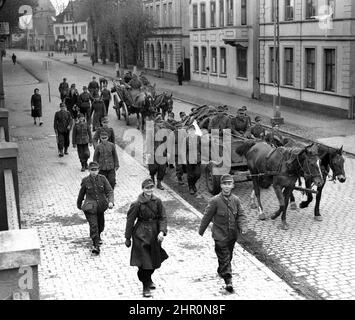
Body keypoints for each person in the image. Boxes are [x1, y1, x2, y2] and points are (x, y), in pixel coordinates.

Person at [199, 174, 248, 293]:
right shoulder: (215, 201)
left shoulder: (236, 200)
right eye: (224, 184)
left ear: (233, 186)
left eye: (229, 184)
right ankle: (228, 281)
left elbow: (241, 214)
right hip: (219, 235)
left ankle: (222, 269)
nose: (227, 186)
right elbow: (207, 216)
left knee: (228, 256)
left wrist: (243, 226)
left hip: (232, 235)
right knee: (224, 255)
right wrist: (202, 230)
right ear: (221, 185)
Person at [125, 178, 168, 298]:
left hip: (154, 234)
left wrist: (162, 231)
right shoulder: (137, 204)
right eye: (146, 188)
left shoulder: (158, 201)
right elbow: (130, 221)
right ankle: (145, 287)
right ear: (142, 189)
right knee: (145, 263)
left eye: (151, 187)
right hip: (140, 235)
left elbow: (163, 217)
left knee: (154, 261)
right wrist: (127, 238)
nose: (149, 190)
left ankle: (148, 279)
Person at [77, 161, 114, 255]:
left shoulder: (103, 179)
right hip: (89, 206)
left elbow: (109, 191)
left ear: (98, 170)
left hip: (101, 206)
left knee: (101, 225)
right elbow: (81, 194)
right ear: (89, 170)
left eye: (96, 170)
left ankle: (98, 236)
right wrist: (79, 205)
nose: (94, 172)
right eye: (92, 170)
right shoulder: (85, 181)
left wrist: (110, 201)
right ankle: (95, 245)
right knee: (94, 225)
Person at [186, 124, 202, 195]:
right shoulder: (186, 140)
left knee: (198, 174)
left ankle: (193, 184)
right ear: (188, 132)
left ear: (195, 131)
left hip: (197, 158)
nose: (191, 132)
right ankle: (190, 187)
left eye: (193, 130)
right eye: (190, 131)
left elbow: (201, 147)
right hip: (189, 159)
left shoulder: (198, 138)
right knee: (190, 175)